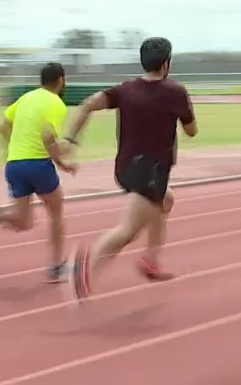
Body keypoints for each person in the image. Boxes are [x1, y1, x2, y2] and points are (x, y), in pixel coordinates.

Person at [63, 37, 197, 304]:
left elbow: (88, 104)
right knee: (127, 231)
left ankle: (151, 259)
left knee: (166, 200)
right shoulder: (175, 92)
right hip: (151, 170)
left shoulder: (125, 90)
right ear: (167, 63)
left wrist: (70, 140)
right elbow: (191, 131)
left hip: (125, 167)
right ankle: (85, 266)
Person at [0, 62, 78, 283]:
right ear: (60, 80)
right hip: (38, 164)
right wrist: (64, 163)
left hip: (14, 164)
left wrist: (10, 149)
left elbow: (2, 126)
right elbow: (49, 138)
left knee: (24, 222)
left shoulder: (26, 98)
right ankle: (56, 268)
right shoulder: (57, 104)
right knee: (57, 212)